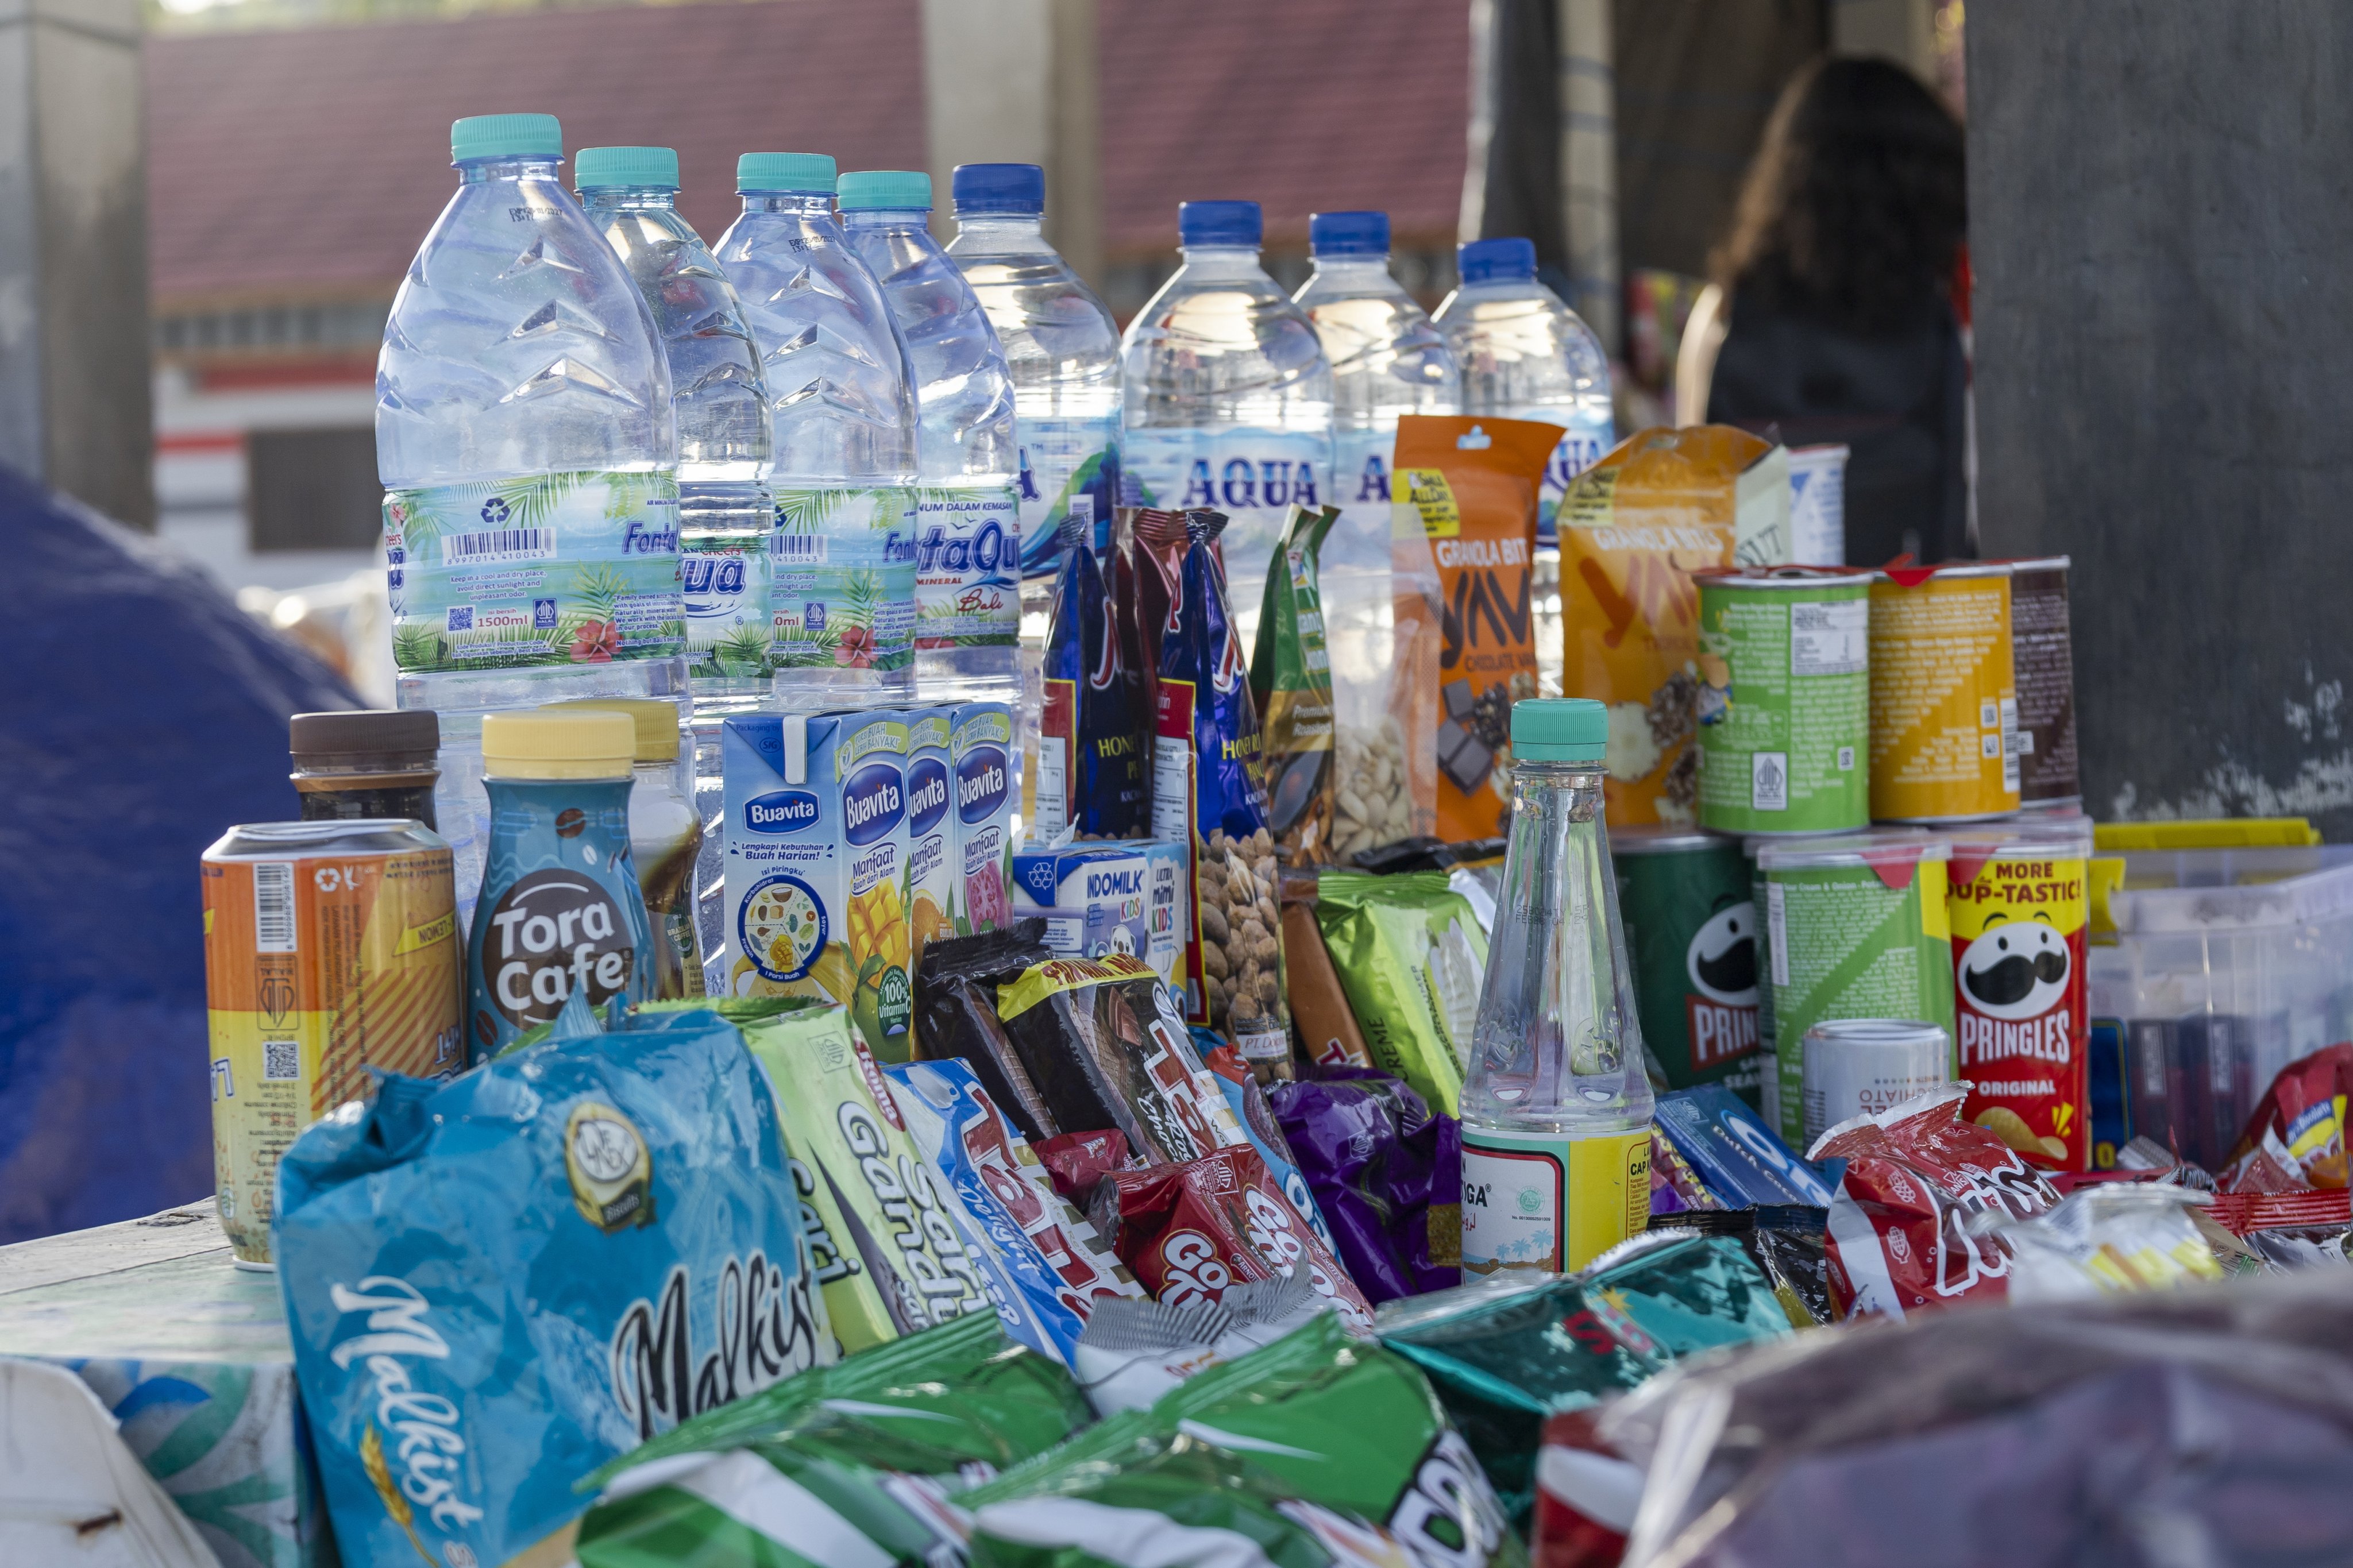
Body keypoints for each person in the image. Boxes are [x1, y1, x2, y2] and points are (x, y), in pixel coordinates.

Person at [1675, 56, 1970, 566]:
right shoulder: (1954, 320)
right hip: (1919, 624)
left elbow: (1694, 493)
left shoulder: (1720, 317)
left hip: (1763, 628)